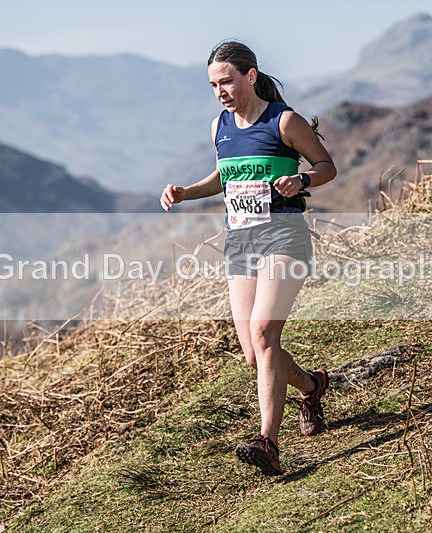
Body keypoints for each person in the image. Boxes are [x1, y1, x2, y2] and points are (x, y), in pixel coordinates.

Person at [160, 41, 337, 475]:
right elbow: (224, 175)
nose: (220, 90)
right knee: (255, 355)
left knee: (263, 333)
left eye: (227, 81)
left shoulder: (284, 121)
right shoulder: (219, 125)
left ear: (250, 76)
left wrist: (301, 179)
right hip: (240, 242)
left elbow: (326, 166)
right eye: (213, 84)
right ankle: (313, 386)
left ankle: (268, 442)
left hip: (284, 235)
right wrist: (186, 192)